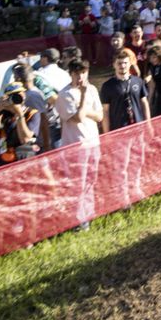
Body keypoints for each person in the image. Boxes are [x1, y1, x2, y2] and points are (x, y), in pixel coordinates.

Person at [56, 59, 103, 230]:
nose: (81, 76)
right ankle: (77, 220)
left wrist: (83, 108)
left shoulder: (92, 89)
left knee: (91, 179)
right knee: (78, 183)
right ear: (71, 74)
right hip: (75, 145)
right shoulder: (65, 94)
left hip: (93, 142)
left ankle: (88, 215)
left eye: (83, 72)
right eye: (77, 73)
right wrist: (82, 97)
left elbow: (99, 116)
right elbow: (77, 118)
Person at [0, 82, 39, 168]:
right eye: (12, 95)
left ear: (24, 95)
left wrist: (19, 114)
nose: (17, 98)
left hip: (23, 158)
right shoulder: (2, 114)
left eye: (19, 94)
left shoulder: (31, 113)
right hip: (3, 159)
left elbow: (25, 139)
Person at [100, 49, 151, 132]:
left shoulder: (138, 81)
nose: (122, 66)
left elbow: (144, 103)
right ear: (114, 65)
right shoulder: (108, 86)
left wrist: (148, 124)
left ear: (130, 64)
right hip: (119, 129)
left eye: (125, 63)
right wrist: (106, 133)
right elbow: (105, 111)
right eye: (119, 63)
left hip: (139, 127)